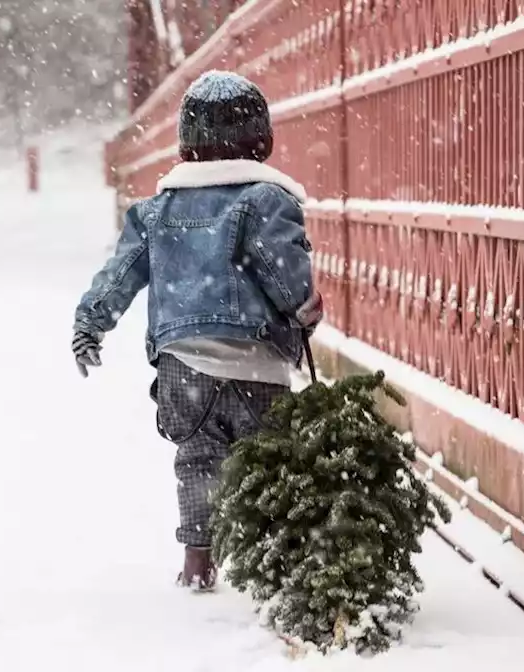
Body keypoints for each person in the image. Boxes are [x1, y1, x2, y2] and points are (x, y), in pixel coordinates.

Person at [70, 70, 322, 592]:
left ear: (186, 148)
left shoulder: (155, 213)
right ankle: (267, 566)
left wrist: (90, 322)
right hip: (256, 361)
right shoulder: (265, 202)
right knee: (266, 464)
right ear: (261, 141)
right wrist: (303, 309)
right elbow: (284, 277)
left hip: (183, 364)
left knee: (198, 461)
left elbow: (121, 274)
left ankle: (198, 564)